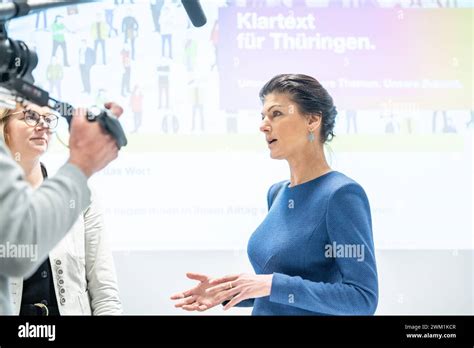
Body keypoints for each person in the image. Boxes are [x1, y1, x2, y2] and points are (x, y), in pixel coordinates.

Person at [171, 74, 378, 315]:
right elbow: (279, 290)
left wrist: (272, 284)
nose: (263, 125)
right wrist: (229, 291)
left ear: (312, 120)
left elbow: (362, 298)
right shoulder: (277, 193)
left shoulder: (341, 195)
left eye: (276, 114)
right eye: (262, 117)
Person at [0, 102, 123, 315]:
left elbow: (105, 293)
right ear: (3, 127)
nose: (42, 125)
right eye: (30, 116)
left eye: (48, 119)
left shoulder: (83, 196)